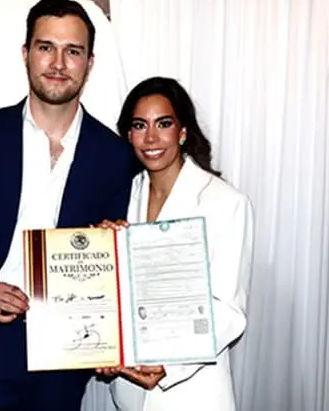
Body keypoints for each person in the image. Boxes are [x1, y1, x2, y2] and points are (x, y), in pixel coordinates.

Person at [0, 0, 135, 411]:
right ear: (26, 54)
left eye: (73, 51)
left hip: (67, 353)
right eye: (46, 47)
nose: (58, 63)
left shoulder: (114, 156)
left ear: (89, 63)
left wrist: (112, 336)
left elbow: (115, 259)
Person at [96, 77, 254, 411]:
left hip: (193, 394)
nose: (151, 137)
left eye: (163, 124)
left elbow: (227, 312)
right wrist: (103, 347)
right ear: (129, 135)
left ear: (182, 132)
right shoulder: (123, 197)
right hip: (129, 393)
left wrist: (169, 363)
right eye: (140, 125)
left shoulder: (225, 202)